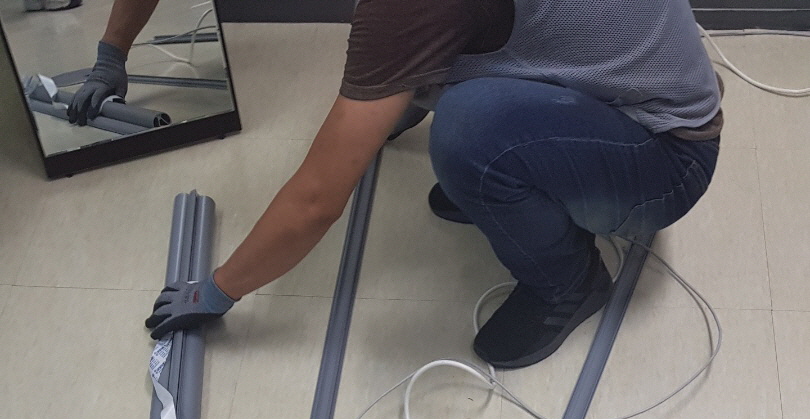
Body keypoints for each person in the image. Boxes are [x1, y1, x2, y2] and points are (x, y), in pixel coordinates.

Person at [79, 0, 723, 368]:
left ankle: (569, 283)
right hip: (620, 90)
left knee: (468, 132)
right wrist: (112, 52)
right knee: (434, 101)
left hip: (664, 158)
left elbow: (316, 201)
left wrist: (219, 289)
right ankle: (518, 179)